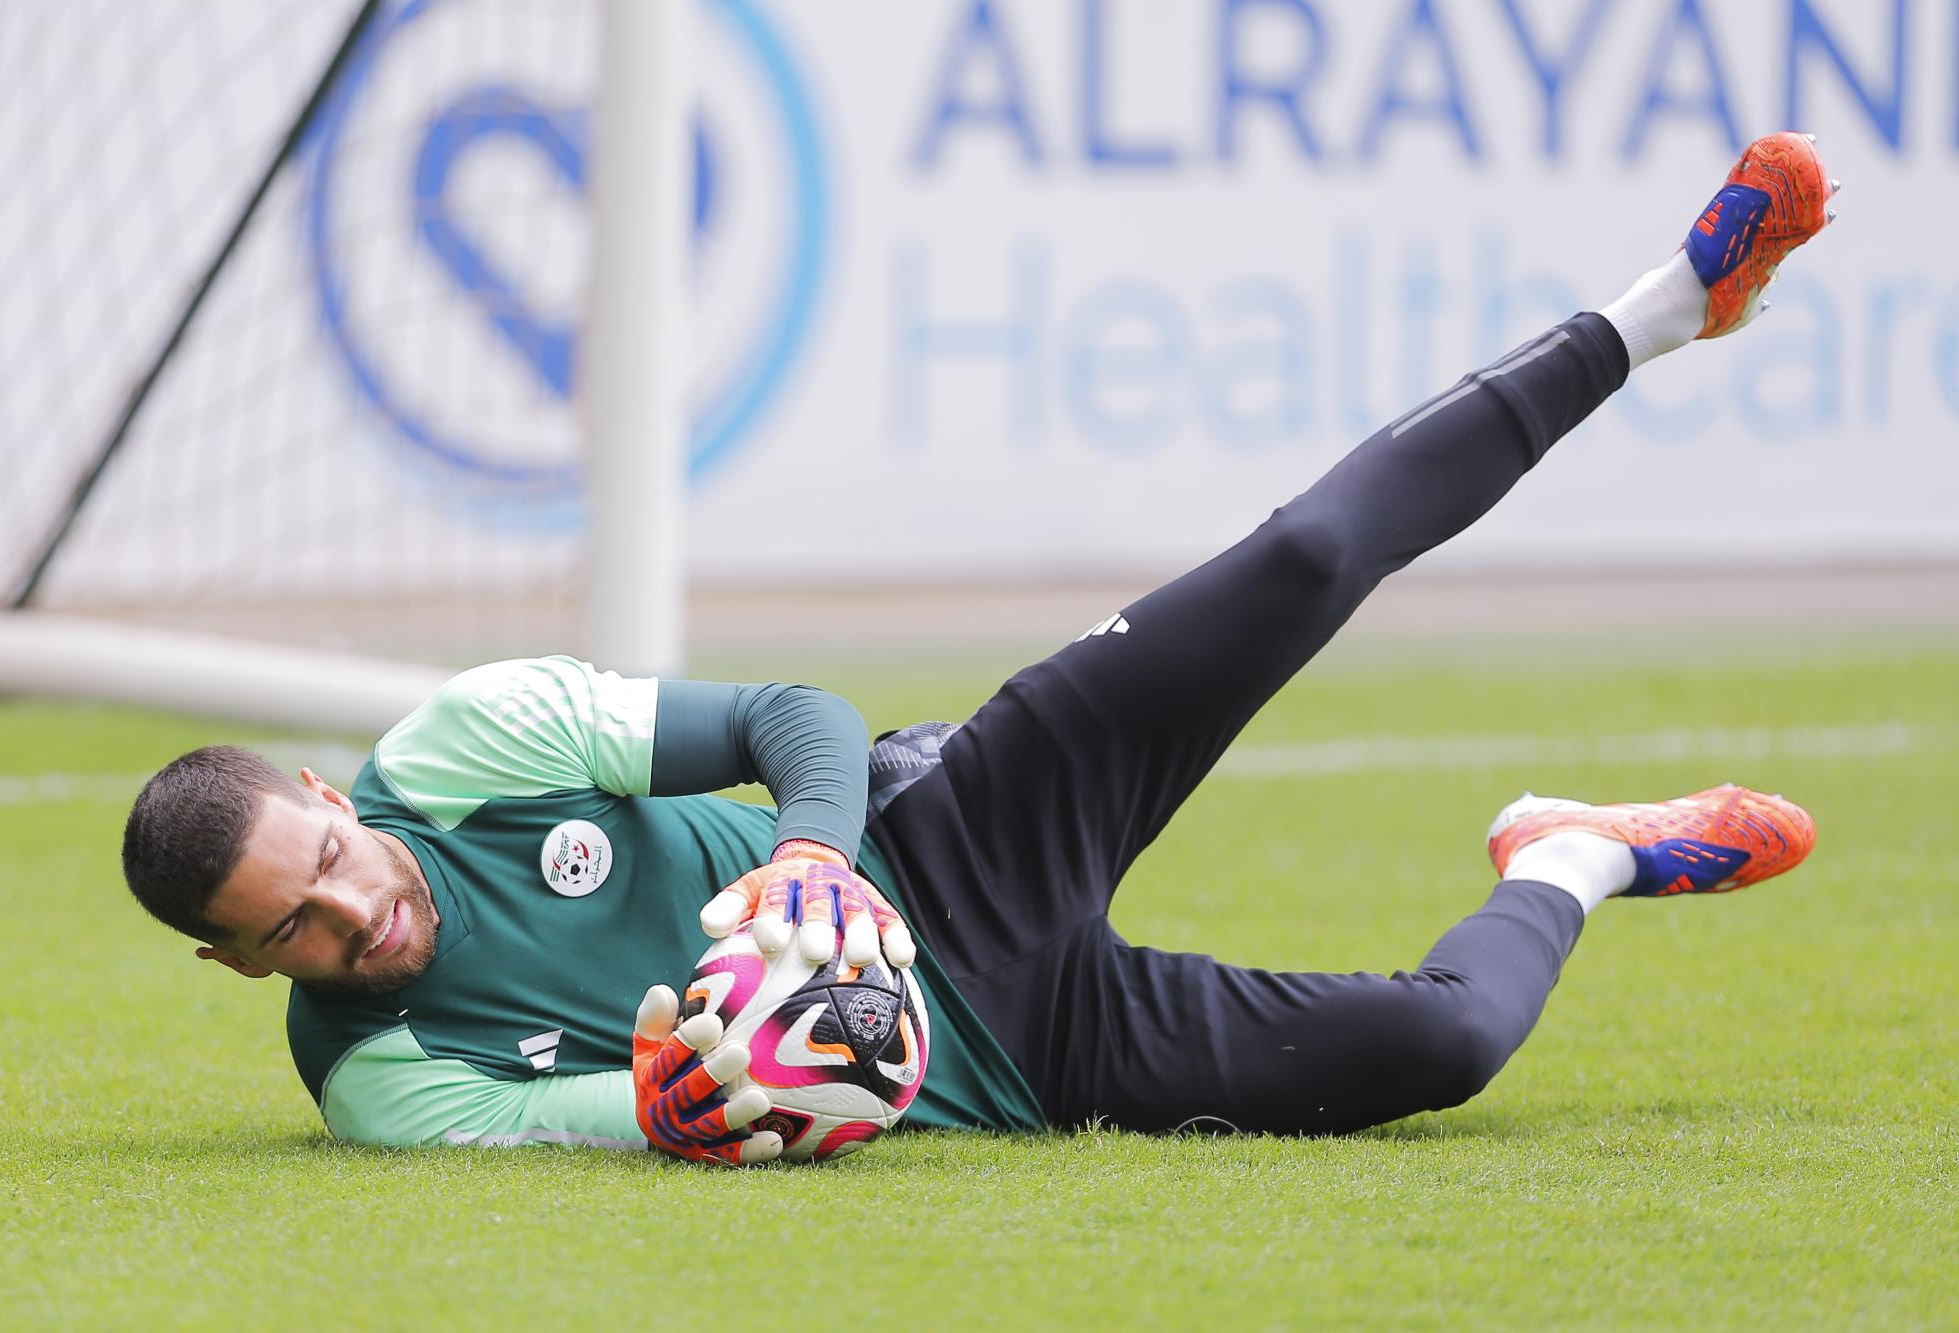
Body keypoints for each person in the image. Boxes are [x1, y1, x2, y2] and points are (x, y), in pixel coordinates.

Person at [121, 132, 1834, 1163]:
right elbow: (663, 1124)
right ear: (243, 967)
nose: (359, 908)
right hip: (1020, 1055)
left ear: (333, 792)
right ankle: (1579, 852)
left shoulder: (463, 746)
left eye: (333, 854)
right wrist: (705, 1094)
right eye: (300, 927)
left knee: (1306, 556)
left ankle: (1668, 307)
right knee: (1444, 1053)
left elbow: (798, 710)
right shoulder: (380, 1086)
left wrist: (812, 864)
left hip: (951, 823)